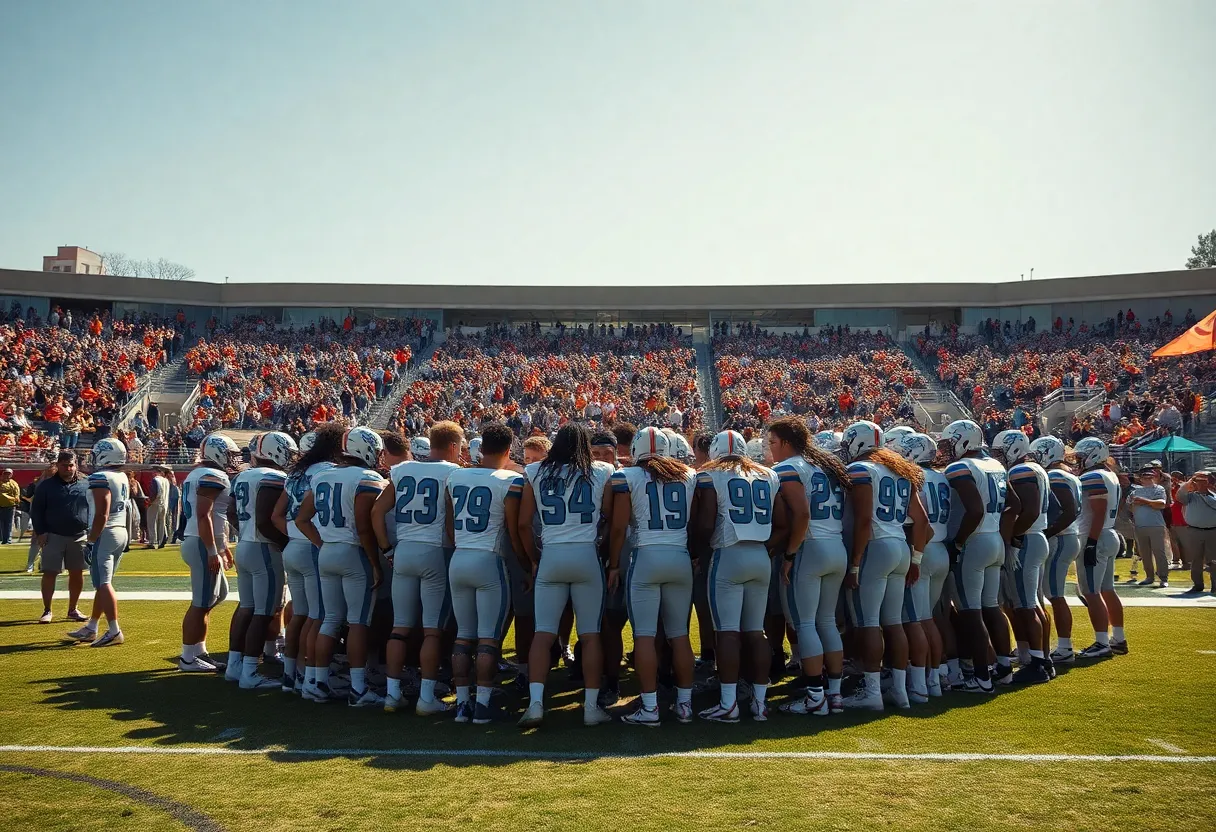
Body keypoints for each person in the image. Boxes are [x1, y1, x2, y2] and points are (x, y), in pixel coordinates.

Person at [518, 423, 616, 728]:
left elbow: (523, 524)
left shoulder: (534, 471)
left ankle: (535, 704)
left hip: (552, 554)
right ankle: (590, 707)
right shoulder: (602, 471)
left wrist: (534, 559)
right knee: (590, 634)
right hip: (587, 554)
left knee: (543, 633)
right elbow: (611, 518)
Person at [372, 420, 463, 715]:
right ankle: (426, 696)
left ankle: (392, 694)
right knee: (432, 630)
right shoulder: (453, 472)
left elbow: (377, 511)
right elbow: (450, 521)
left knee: (400, 627)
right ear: (452, 446)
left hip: (405, 550)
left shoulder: (403, 470)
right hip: (434, 551)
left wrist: (387, 548)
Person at [691, 430, 783, 722]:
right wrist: (763, 547)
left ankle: (729, 702)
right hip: (759, 556)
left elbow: (706, 525)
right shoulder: (768, 475)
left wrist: (693, 551)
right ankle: (759, 702)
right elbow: (783, 523)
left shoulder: (709, 475)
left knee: (727, 631)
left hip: (728, 554)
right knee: (756, 631)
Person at [609, 426, 698, 726]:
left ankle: (650, 708)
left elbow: (619, 527)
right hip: (680, 557)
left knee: (644, 636)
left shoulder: (626, 477)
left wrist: (613, 564)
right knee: (679, 635)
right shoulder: (689, 475)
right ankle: (685, 705)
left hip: (646, 556)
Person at [439, 422, 524, 724]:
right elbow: (514, 531)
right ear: (508, 449)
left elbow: (448, 525)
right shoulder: (510, 479)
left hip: (460, 558)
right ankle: (484, 706)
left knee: (463, 636)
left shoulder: (456, 475)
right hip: (489, 560)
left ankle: (462, 705)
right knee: (488, 638)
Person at [841, 421, 929, 710]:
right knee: (894, 622)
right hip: (901, 548)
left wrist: (854, 563)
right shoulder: (901, 471)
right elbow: (923, 523)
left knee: (869, 623)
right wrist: (915, 559)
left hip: (876, 549)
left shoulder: (862, 470)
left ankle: (872, 692)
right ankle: (903, 691)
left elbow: (865, 521)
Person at [295, 426, 386, 706]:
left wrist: (324, 544)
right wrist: (374, 561)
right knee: (358, 622)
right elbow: (363, 527)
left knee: (331, 618)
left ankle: (316, 682)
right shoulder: (367, 478)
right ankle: (358, 689)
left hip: (328, 552)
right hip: (352, 552)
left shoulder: (323, 475)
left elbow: (301, 519)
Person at [767, 416, 852, 716]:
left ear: (787, 443)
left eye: (773, 443)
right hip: (836, 546)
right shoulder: (826, 466)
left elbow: (801, 515)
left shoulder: (789, 467)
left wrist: (789, 555)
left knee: (805, 623)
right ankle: (835, 695)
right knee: (826, 621)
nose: (770, 449)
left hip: (810, 548)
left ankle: (815, 696)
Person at [941, 418, 1020, 693]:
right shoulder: (995, 465)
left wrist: (959, 542)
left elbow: (974, 510)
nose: (946, 449)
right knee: (990, 606)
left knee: (970, 611)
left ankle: (981, 677)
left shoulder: (961, 467)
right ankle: (1002, 668)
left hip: (974, 542)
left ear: (963, 440)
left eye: (950, 442)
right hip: (994, 539)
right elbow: (1015, 504)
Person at [272, 427, 339, 694]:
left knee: (300, 613)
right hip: (313, 546)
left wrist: (295, 536)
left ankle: (291, 674)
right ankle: (311, 676)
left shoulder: (297, 473)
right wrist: (317, 541)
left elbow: (277, 515)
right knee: (318, 615)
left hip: (294, 547)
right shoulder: (327, 471)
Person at [226, 431, 295, 689]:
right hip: (264, 548)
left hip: (245, 544)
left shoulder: (244, 475)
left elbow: (231, 512)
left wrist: (245, 532)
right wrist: (285, 544)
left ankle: (234, 666)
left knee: (246, 607)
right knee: (263, 612)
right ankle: (250, 673)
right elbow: (266, 520)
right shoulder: (274, 477)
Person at [992, 429, 1052, 683]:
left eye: (999, 451)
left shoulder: (1021, 471)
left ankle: (1038, 662)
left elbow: (1029, 511)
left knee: (1027, 606)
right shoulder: (1035, 469)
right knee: (1031, 602)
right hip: (1036, 538)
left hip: (1027, 539)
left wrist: (1012, 538)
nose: (997, 456)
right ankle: (1040, 659)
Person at [176, 433, 240, 673]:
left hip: (202, 540)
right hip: (201, 542)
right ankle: (187, 657)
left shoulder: (197, 473)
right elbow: (204, 515)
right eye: (229, 454)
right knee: (201, 602)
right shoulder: (213, 475)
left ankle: (198, 651)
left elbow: (214, 517)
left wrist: (223, 547)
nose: (232, 459)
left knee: (217, 595)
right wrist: (213, 550)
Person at [67, 438, 130, 647]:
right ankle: (92, 626)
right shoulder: (121, 476)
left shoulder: (101, 477)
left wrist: (91, 541)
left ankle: (114, 631)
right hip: (120, 530)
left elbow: (102, 513)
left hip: (106, 532)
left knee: (103, 584)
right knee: (104, 583)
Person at [1073, 437, 1127, 658]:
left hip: (1095, 535)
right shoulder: (1110, 475)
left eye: (1080, 456)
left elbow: (1099, 509)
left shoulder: (1093, 476)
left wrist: (1091, 543)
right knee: (1106, 590)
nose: (1078, 461)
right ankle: (1119, 638)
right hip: (1109, 533)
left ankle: (1102, 642)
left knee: (1091, 592)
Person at [1030, 436, 1081, 665]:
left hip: (1061, 538)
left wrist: (1048, 533)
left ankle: (1064, 646)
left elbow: (1067, 511)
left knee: (1054, 595)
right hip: (1067, 536)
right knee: (1051, 594)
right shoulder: (1066, 473)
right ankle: (1058, 645)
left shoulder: (1056, 475)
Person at [30, 452, 89, 624]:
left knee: (77, 573)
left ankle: (73, 609)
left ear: (76, 465)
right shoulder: (46, 486)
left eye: (71, 465)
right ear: (58, 465)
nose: (68, 469)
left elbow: (92, 507)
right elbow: (37, 511)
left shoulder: (86, 484)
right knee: (50, 572)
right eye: (64, 465)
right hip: (53, 535)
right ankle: (47, 610)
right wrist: (40, 532)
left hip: (79, 536)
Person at [1128, 465, 1169, 588]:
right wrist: (1142, 503)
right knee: (1144, 553)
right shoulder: (1135, 491)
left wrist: (1144, 501)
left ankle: (1163, 577)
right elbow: (1130, 507)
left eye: (1150, 476)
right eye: (1145, 477)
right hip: (1140, 525)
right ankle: (1149, 576)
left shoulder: (1159, 489)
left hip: (1156, 525)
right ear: (1140, 479)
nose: (1148, 479)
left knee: (1159, 552)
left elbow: (1161, 504)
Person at [1177, 470, 1216, 594]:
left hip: (1212, 531)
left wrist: (1205, 493)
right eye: (1198, 481)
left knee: (1213, 560)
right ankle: (1197, 585)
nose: (1200, 483)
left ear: (1209, 482)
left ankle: (1215, 585)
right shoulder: (1190, 496)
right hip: (1194, 531)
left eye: (1203, 481)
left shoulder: (1213, 496)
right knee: (1195, 559)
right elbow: (1179, 496)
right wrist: (1189, 481)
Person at [147, 466, 171, 549]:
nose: (152, 473)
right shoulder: (166, 481)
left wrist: (150, 502)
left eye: (154, 471)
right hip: (164, 503)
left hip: (156, 503)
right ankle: (161, 540)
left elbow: (154, 493)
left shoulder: (156, 480)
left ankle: (153, 542)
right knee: (162, 523)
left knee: (152, 523)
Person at [0, 468, 19, 545]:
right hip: (0, 506)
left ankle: (8, 539)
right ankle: (2, 539)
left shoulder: (14, 484)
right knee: (1, 524)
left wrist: (16, 502)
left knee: (8, 523)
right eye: (5, 473)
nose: (7, 475)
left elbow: (17, 495)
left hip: (10, 506)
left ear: (11, 475)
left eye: (9, 474)